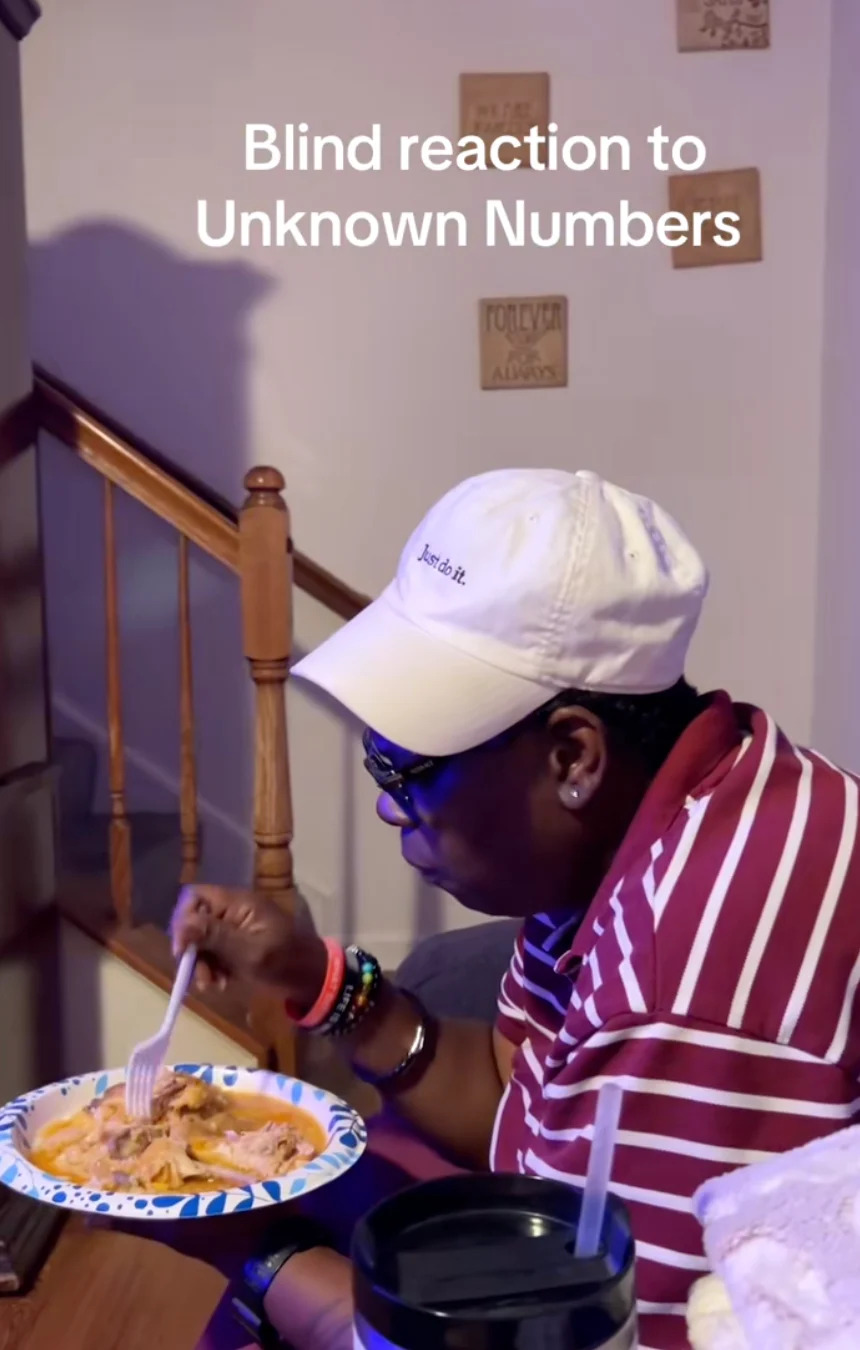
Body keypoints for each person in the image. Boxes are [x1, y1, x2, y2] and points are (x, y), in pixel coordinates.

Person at [171, 468, 860, 1350]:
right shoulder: (684, 788)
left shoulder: (680, 987)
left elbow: (583, 1335)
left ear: (574, 753)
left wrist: (251, 1251)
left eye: (407, 769)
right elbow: (516, 1101)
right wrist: (319, 980)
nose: (388, 805)